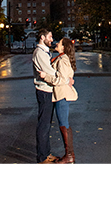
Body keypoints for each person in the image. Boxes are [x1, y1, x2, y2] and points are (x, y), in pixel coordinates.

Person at [39, 37, 78, 164]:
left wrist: (46, 77)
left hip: (62, 95)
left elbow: (60, 79)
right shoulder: (61, 58)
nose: (56, 43)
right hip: (61, 94)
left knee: (64, 124)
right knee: (63, 124)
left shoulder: (63, 60)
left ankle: (69, 156)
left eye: (59, 43)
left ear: (63, 47)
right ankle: (69, 155)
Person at [33, 28, 57, 163]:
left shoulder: (44, 52)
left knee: (47, 124)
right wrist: (62, 77)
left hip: (48, 90)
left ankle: (46, 153)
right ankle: (42, 157)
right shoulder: (40, 53)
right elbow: (50, 72)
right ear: (42, 37)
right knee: (44, 124)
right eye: (50, 37)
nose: (52, 40)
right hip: (44, 91)